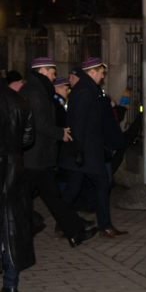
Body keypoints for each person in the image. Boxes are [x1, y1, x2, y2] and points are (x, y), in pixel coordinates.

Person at [20, 57, 96, 247]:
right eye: (53, 72)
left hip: (40, 157)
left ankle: (74, 233)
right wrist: (59, 132)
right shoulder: (35, 92)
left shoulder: (37, 89)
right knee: (21, 200)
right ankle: (19, 235)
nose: (55, 77)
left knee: (54, 199)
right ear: (43, 71)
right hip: (34, 157)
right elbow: (39, 124)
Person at [59, 57, 127, 238]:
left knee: (74, 188)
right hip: (86, 151)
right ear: (93, 72)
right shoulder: (85, 91)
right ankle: (104, 226)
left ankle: (61, 224)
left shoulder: (88, 89)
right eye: (101, 72)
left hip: (83, 150)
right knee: (101, 185)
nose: (103, 75)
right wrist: (78, 150)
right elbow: (78, 122)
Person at [0, 79, 36, 292]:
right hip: (13, 167)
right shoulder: (20, 100)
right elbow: (28, 139)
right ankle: (11, 284)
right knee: (9, 224)